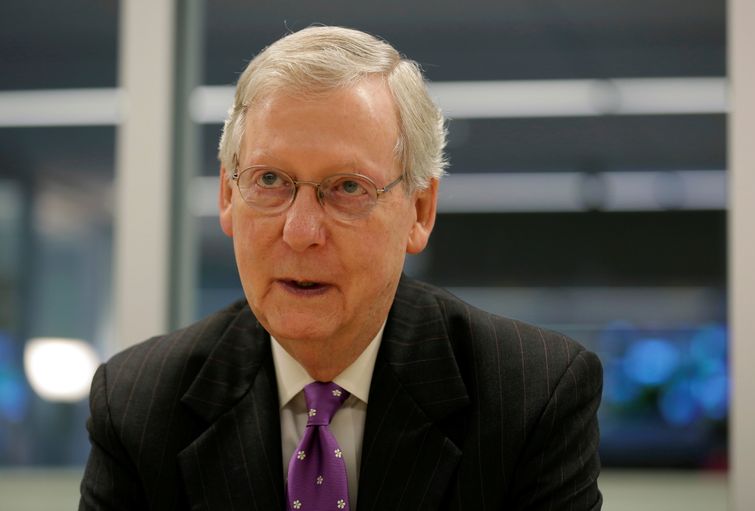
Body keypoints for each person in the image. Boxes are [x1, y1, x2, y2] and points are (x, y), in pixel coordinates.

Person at [79, 26, 602, 510]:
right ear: (226, 194)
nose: (301, 230)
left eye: (348, 188)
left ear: (419, 212)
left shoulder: (532, 395)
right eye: (269, 181)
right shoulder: (138, 405)